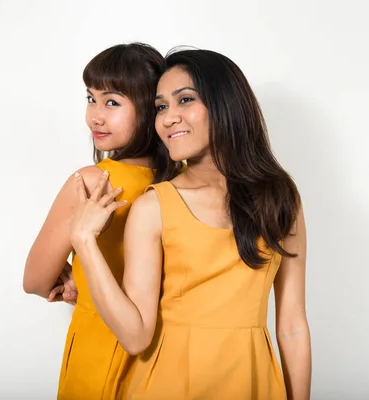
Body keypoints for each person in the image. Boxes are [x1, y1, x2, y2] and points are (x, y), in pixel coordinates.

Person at [70, 48, 312, 400]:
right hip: (166, 384)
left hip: (253, 382)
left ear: (226, 104)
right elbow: (135, 335)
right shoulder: (154, 206)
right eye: (161, 107)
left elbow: (291, 326)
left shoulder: (280, 198)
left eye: (185, 100)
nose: (168, 118)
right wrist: (84, 241)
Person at [23, 43, 182, 399]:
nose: (95, 116)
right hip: (166, 356)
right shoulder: (183, 180)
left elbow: (34, 281)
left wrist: (65, 272)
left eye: (112, 102)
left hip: (101, 347)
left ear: (147, 107)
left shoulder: (93, 182)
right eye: (90, 99)